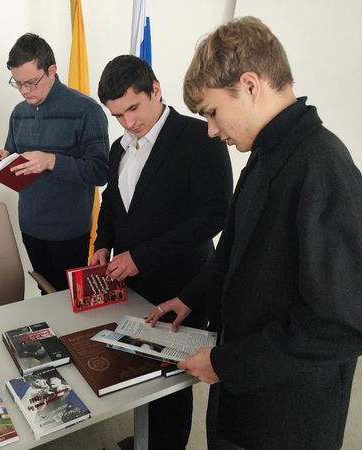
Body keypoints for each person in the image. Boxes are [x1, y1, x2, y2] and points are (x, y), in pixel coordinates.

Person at [148, 16, 362, 450]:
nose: (211, 130)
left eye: (212, 113)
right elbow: (234, 253)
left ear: (249, 85)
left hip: (286, 417)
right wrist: (190, 298)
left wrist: (227, 365)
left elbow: (341, 324)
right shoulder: (265, 154)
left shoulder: (323, 166)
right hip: (241, 395)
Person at [94, 55, 232, 449]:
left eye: (133, 108)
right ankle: (146, 439)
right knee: (138, 368)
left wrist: (141, 257)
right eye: (117, 115)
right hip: (132, 283)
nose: (128, 122)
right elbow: (112, 201)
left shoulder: (199, 137)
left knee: (171, 381)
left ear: (155, 89)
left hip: (182, 284)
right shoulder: (119, 147)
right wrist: (102, 242)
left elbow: (214, 216)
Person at [0, 33, 109, 292]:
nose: (25, 91)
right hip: (30, 225)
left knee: (69, 300)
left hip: (70, 231)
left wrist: (51, 161)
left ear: (52, 71)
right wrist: (4, 160)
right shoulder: (19, 113)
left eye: (31, 82)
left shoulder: (86, 110)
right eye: (18, 83)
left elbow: (100, 172)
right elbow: (16, 160)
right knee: (45, 293)